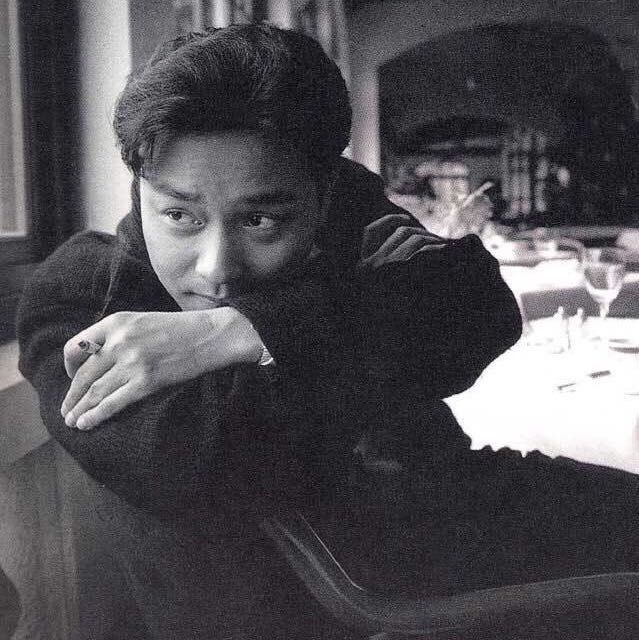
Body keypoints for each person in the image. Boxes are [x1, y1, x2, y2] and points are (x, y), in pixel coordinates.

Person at [16, 24, 638, 640]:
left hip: (454, 502)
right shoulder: (80, 297)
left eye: (261, 221)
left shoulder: (344, 202)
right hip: (363, 599)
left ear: (324, 195)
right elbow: (201, 463)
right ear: (139, 188)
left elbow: (478, 307)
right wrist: (373, 311)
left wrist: (236, 330)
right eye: (179, 214)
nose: (216, 268)